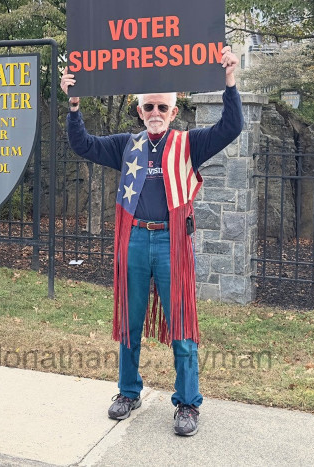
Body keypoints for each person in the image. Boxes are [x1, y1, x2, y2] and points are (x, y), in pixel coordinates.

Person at [63, 46, 243, 436]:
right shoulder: (126, 145)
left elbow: (230, 128)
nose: (156, 113)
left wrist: (230, 81)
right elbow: (83, 145)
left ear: (174, 112)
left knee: (182, 327)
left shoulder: (189, 144)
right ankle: (128, 392)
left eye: (163, 107)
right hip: (133, 241)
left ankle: (188, 403)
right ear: (140, 111)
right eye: (149, 107)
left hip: (171, 243)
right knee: (129, 322)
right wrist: (74, 107)